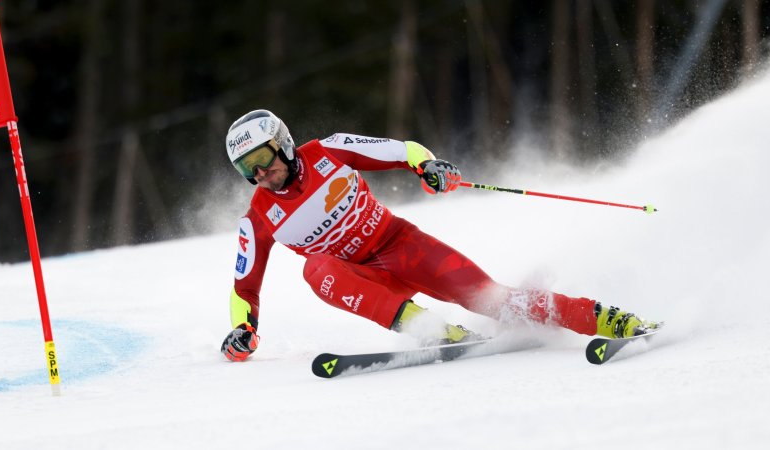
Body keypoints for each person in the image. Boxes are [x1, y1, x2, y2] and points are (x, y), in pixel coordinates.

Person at [220, 109, 657, 361]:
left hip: (401, 246)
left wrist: (428, 167)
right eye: (246, 169)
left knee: (493, 299)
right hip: (361, 279)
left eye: (261, 157)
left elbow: (401, 151)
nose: (259, 172)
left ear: (282, 142)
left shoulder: (328, 151)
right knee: (316, 269)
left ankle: (604, 317)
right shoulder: (257, 219)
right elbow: (245, 288)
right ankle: (428, 328)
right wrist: (243, 329)